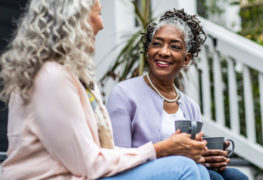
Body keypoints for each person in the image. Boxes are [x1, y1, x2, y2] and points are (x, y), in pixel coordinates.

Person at [0, 0, 210, 179]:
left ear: (187, 59)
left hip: (84, 173)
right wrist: (160, 150)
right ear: (75, 19)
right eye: (98, 14)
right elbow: (88, 164)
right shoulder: (50, 77)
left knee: (204, 170)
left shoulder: (75, 75)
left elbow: (100, 154)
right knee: (184, 169)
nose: (101, 24)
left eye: (175, 47)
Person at [107, 9, 249, 180]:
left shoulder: (190, 106)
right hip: (140, 173)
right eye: (157, 44)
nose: (164, 52)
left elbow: (190, 155)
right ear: (148, 50)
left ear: (186, 59)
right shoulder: (123, 94)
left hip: (184, 172)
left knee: (236, 176)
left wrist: (206, 157)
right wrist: (169, 152)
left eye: (174, 47)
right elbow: (118, 158)